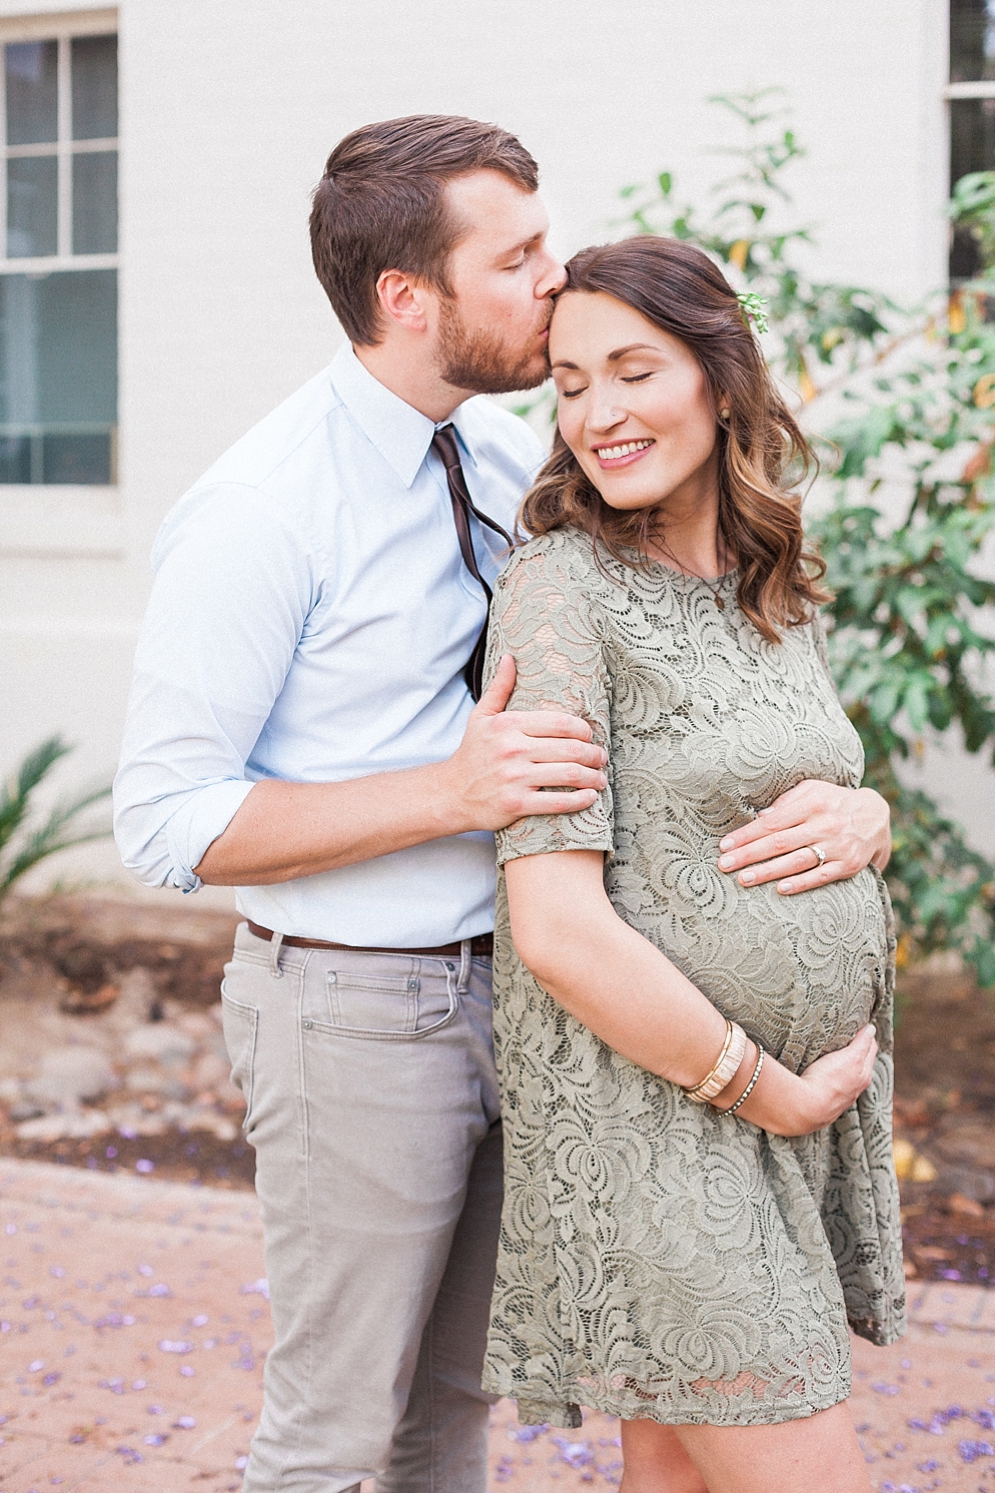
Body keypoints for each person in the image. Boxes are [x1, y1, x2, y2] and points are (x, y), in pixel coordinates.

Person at [113, 116, 891, 1493]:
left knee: (447, 1420)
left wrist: (855, 813)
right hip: (357, 1003)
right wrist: (447, 792)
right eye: (518, 255)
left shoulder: (505, 454)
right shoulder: (261, 508)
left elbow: (686, 692)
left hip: (535, 1025)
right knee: (332, 1427)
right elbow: (166, 820)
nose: (551, 281)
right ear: (408, 297)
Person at [481, 236, 903, 1493]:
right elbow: (553, 922)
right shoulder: (562, 588)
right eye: (566, 383)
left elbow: (801, 769)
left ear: (719, 380)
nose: (596, 413)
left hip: (774, 1126)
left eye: (630, 370)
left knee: (673, 1475)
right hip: (656, 1122)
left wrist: (864, 809)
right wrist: (760, 1083)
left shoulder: (763, 575)